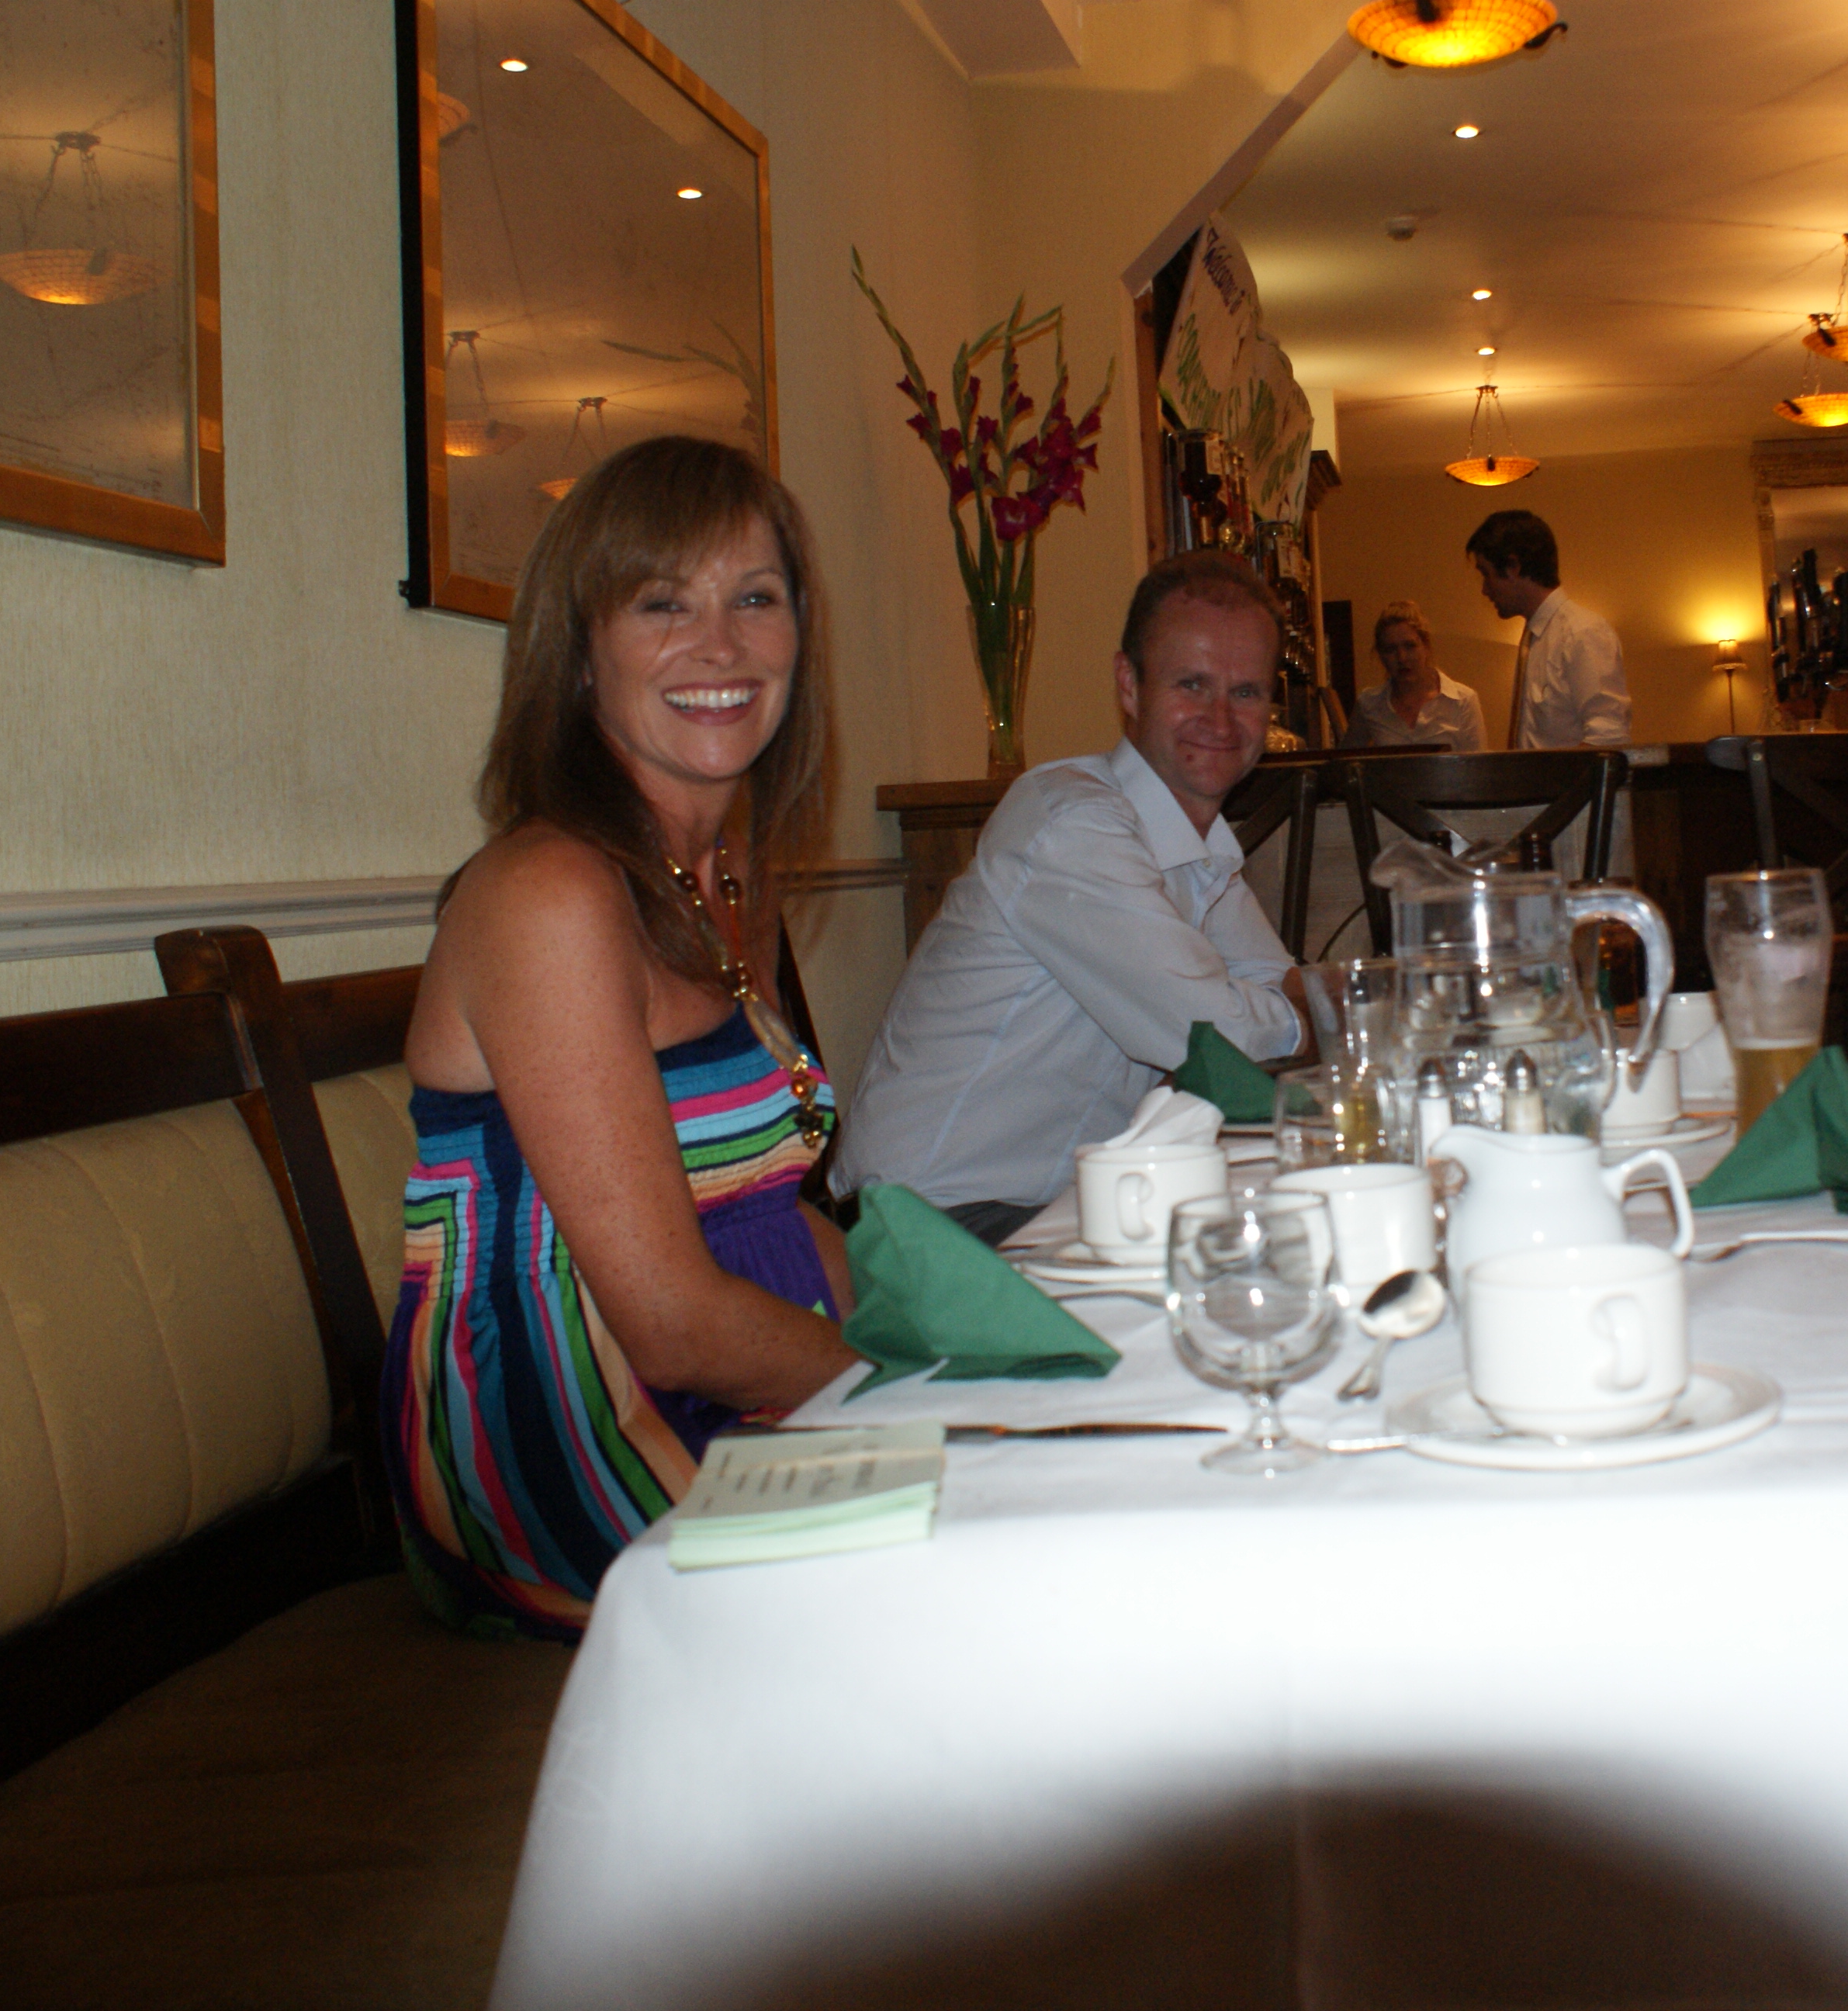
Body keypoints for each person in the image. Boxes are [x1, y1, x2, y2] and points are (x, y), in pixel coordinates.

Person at [383, 436, 857, 1642]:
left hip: (732, 1391)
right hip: (563, 1430)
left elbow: (766, 1202)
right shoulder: (547, 895)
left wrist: (933, 1334)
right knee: (993, 1566)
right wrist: (904, 1389)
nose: (721, 645)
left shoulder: (726, 874)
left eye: (756, 598)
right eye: (662, 603)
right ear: (579, 652)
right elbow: (670, 1322)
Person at [834, 552, 1306, 1243]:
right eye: (1192, 684)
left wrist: (1299, 1006)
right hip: (930, 1228)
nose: (1220, 718)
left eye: (1246, 692)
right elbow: (1217, 1038)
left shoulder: (1201, 849)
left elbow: (1276, 992)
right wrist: (1314, 1007)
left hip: (1058, 1209)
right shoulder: (1073, 824)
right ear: (1129, 686)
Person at [1466, 509, 1630, 749]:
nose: (1485, 589)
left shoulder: (1582, 633)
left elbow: (1607, 736)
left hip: (1566, 776)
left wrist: (1561, 776)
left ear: (1513, 567)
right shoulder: (1535, 638)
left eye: (1486, 574)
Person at [1344, 600, 1485, 751]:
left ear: (1425, 646)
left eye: (1410, 646)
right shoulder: (1369, 704)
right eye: (1391, 649)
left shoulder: (1462, 701)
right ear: (1381, 655)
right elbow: (1346, 758)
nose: (1402, 658)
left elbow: (1478, 762)